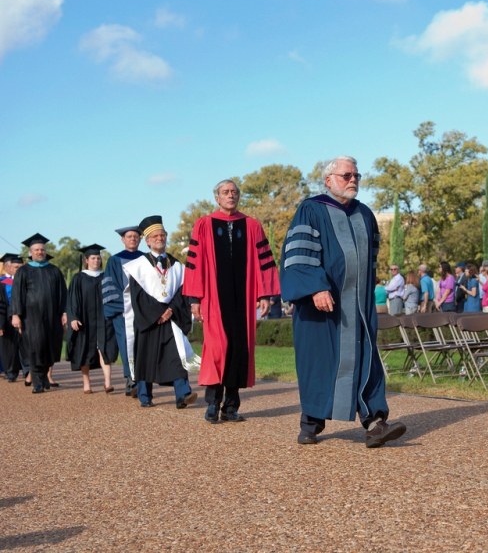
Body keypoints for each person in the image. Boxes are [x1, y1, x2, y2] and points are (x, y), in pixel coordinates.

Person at [280, 155, 406, 447]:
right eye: (346, 175)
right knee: (320, 362)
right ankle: (310, 424)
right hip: (321, 307)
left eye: (356, 176)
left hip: (358, 307)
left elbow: (370, 259)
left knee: (365, 360)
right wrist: (315, 288)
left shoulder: (364, 213)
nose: (353, 181)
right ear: (328, 180)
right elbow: (299, 254)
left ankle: (375, 422)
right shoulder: (310, 210)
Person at [183, 179, 280, 424]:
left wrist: (264, 294)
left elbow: (264, 261)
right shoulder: (203, 225)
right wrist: (195, 299)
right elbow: (194, 265)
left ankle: (231, 407)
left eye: (234, 192)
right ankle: (212, 403)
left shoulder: (252, 226)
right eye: (226, 192)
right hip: (214, 298)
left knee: (239, 348)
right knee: (217, 348)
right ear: (217, 198)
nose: (231, 196)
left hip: (244, 299)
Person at [124, 216, 199, 409]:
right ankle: (144, 396)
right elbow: (137, 296)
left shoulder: (176, 266)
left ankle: (183, 394)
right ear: (147, 240)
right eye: (155, 236)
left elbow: (183, 291)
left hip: (171, 319)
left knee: (176, 357)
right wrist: (158, 313)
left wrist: (171, 309)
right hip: (148, 320)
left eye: (163, 235)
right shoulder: (137, 267)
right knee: (145, 358)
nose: (160, 238)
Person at [10, 234, 67, 394]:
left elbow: (63, 294)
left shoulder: (54, 270)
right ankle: (37, 383)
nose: (40, 252)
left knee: (50, 348)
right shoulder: (23, 271)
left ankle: (43, 377)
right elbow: (17, 294)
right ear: (30, 252)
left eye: (42, 249)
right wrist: (16, 315)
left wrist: (64, 313)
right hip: (31, 317)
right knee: (35, 347)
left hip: (52, 316)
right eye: (36, 249)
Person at [66, 244, 117, 394]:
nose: (96, 261)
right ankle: (86, 383)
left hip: (104, 318)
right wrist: (73, 317)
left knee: (104, 348)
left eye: (98, 258)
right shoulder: (78, 278)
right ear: (86, 260)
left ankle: (108, 382)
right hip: (84, 320)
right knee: (85, 350)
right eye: (93, 258)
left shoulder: (106, 277)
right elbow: (72, 300)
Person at [102, 226, 145, 397]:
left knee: (142, 345)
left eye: (135, 236)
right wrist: (123, 305)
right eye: (129, 236)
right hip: (122, 310)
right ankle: (130, 379)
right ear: (122, 240)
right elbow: (110, 286)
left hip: (143, 311)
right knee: (126, 344)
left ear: (140, 239)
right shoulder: (114, 260)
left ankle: (142, 379)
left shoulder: (145, 259)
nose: (133, 239)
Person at [0, 253, 25, 382]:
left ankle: (27, 371)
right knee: (8, 347)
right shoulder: (2, 282)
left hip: (24, 316)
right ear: (7, 267)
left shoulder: (25, 280)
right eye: (13, 266)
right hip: (7, 318)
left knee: (25, 345)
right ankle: (11, 371)